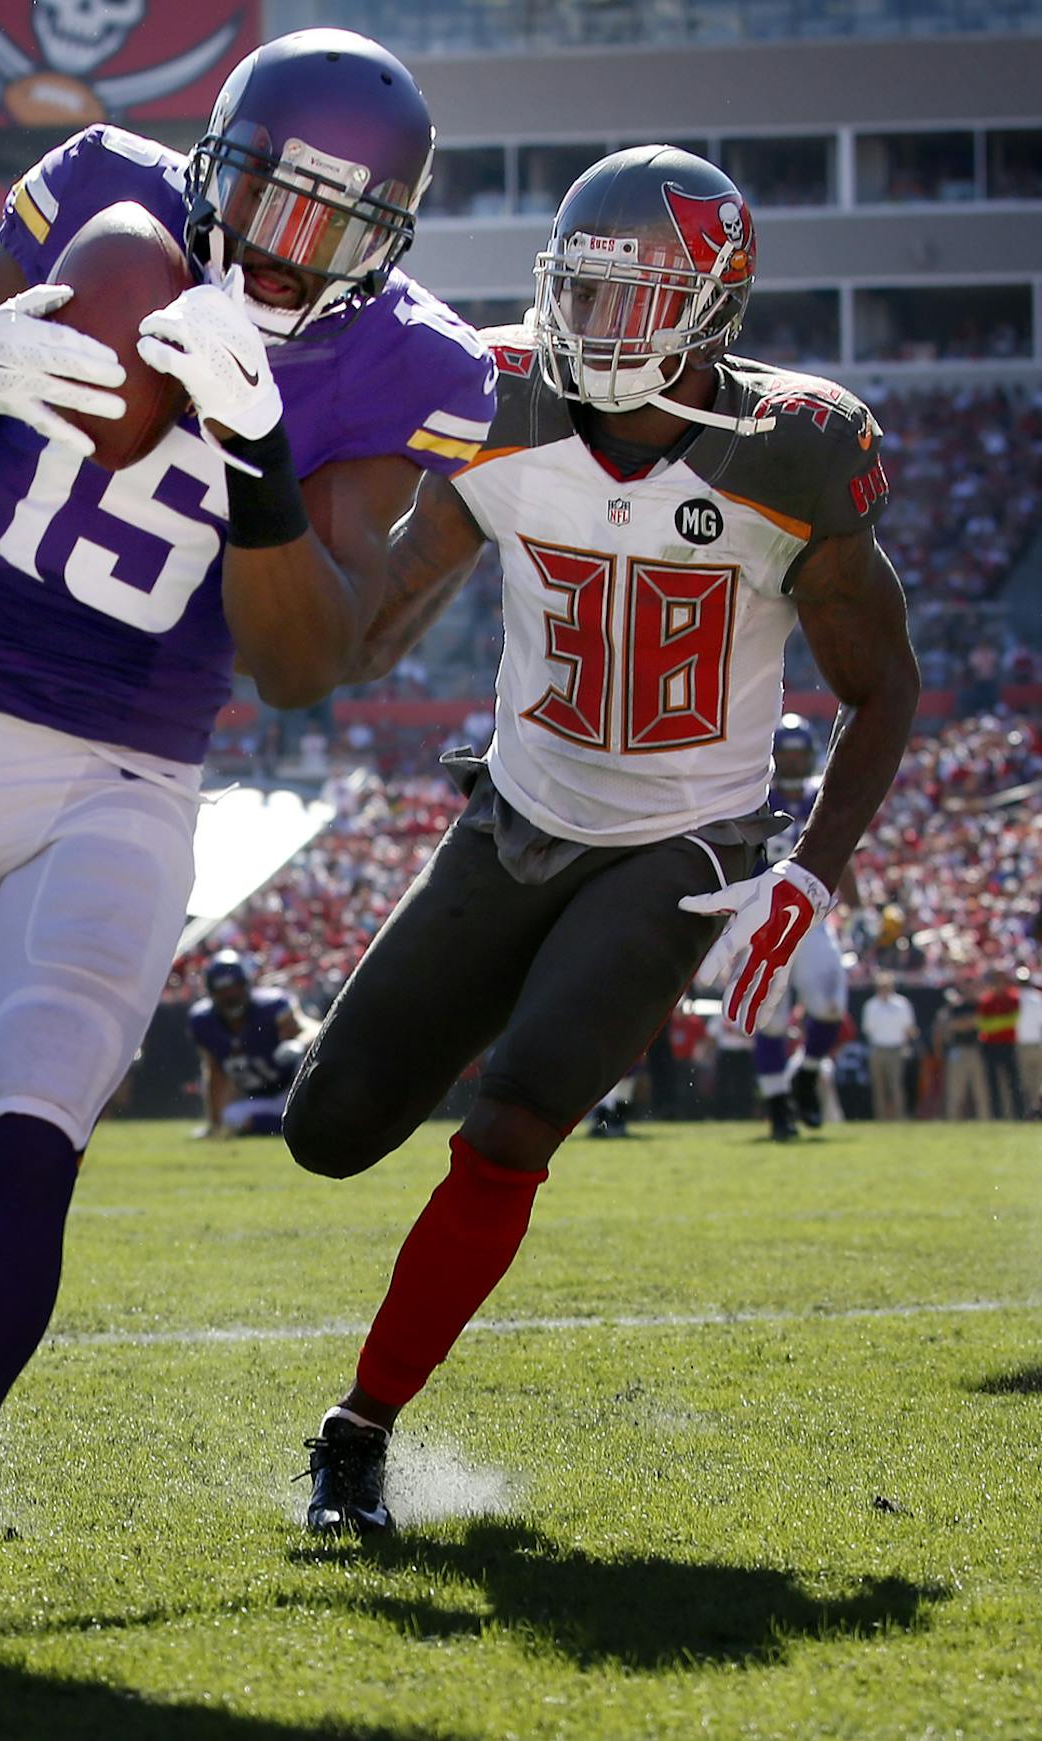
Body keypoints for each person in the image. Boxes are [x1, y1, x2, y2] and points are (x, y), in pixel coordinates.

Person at [0, 29, 498, 1663]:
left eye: (336, 226)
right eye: (269, 198)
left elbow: (303, 663)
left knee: (35, 1155)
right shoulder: (99, 201)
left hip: (133, 779)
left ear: (390, 243)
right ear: (213, 164)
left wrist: (258, 450)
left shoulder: (411, 364)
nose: (286, 250)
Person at [278, 144, 919, 1535]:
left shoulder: (794, 448)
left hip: (684, 843)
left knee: (516, 1117)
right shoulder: (500, 398)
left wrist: (810, 871)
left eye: (635, 296)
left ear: (713, 306)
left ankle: (356, 1430)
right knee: (326, 1131)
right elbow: (379, 620)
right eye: (581, 288)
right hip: (518, 811)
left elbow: (884, 689)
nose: (595, 322)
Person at [749, 713, 854, 1140]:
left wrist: (860, 908)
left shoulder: (821, 796)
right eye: (786, 754)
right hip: (763, 921)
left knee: (829, 1005)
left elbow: (844, 853)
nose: (793, 761)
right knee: (769, 1019)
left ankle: (807, 1075)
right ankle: (778, 1107)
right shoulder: (756, 797)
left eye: (798, 754)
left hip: (811, 919)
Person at [189, 951, 308, 1138]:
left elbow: (312, 1030)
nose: (230, 996)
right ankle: (296, 1124)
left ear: (246, 985)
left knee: (308, 1061)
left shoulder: (272, 1006)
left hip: (294, 1090)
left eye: (235, 988)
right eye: (222, 990)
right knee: (231, 1118)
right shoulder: (204, 1021)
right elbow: (215, 1071)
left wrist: (299, 1043)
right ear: (211, 992)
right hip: (261, 1097)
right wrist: (214, 1123)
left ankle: (298, 1122)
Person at [862, 972, 918, 1119]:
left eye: (886, 985)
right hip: (878, 1049)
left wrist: (905, 1046)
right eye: (881, 986)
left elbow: (909, 1028)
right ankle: (881, 1118)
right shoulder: (871, 1006)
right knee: (878, 1087)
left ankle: (900, 1117)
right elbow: (868, 1029)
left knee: (896, 1086)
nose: (884, 989)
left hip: (896, 1049)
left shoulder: (902, 1004)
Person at [976, 968, 1023, 1118]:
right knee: (993, 1084)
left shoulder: (1014, 998)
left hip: (1008, 1045)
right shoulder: (986, 1000)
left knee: (1014, 1082)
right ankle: (997, 1115)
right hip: (991, 1046)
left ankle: (1018, 1114)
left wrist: (995, 1024)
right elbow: (983, 1025)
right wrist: (1003, 1022)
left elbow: (1014, 1020)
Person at [934, 984, 984, 1121]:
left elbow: (980, 1022)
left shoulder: (979, 1005)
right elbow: (950, 1026)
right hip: (958, 1050)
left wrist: (966, 1023)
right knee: (955, 1091)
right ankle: (952, 1120)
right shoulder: (955, 1008)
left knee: (981, 1090)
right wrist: (970, 1022)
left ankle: (985, 1119)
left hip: (976, 1050)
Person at [1016, 965, 1042, 1117]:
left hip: (1022, 1045)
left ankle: (1030, 1111)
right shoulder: (1037, 998)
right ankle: (1033, 1110)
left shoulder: (1015, 998)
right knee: (1036, 1081)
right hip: (1036, 1044)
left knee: (1025, 1081)